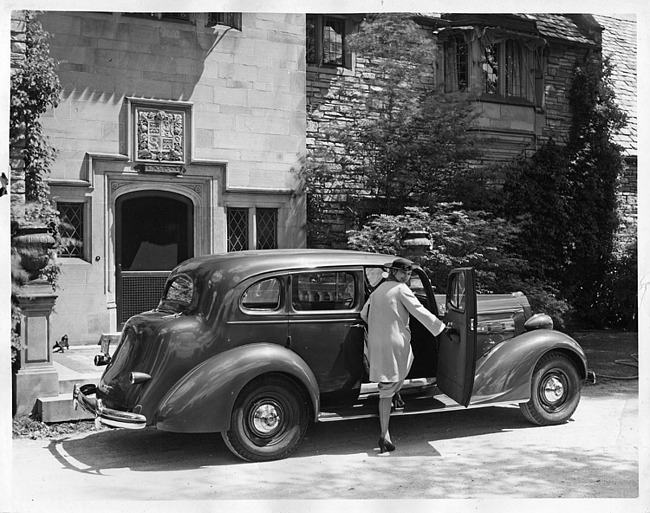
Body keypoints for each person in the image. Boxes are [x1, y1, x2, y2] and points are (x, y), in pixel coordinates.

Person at [360, 257, 446, 453]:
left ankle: (393, 398)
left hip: (377, 342)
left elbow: (364, 315)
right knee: (397, 376)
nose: (406, 276)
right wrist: (440, 327)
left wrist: (377, 325)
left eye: (409, 273)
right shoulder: (401, 289)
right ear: (394, 273)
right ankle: (384, 434)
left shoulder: (377, 290)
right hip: (396, 342)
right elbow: (418, 310)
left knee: (387, 384)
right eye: (403, 273)